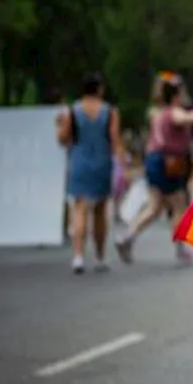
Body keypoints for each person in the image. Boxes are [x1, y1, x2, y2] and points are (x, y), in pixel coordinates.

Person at [115, 77, 193, 266]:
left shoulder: (157, 113)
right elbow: (182, 119)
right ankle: (181, 248)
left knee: (154, 207)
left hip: (154, 160)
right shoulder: (173, 112)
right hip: (168, 162)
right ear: (176, 96)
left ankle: (127, 237)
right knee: (179, 205)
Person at [56, 72, 124, 274]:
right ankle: (100, 257)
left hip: (79, 162)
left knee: (80, 209)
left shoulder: (72, 111)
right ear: (100, 89)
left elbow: (63, 139)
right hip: (102, 162)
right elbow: (115, 140)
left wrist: (59, 126)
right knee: (100, 211)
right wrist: (122, 165)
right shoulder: (110, 112)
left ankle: (78, 256)